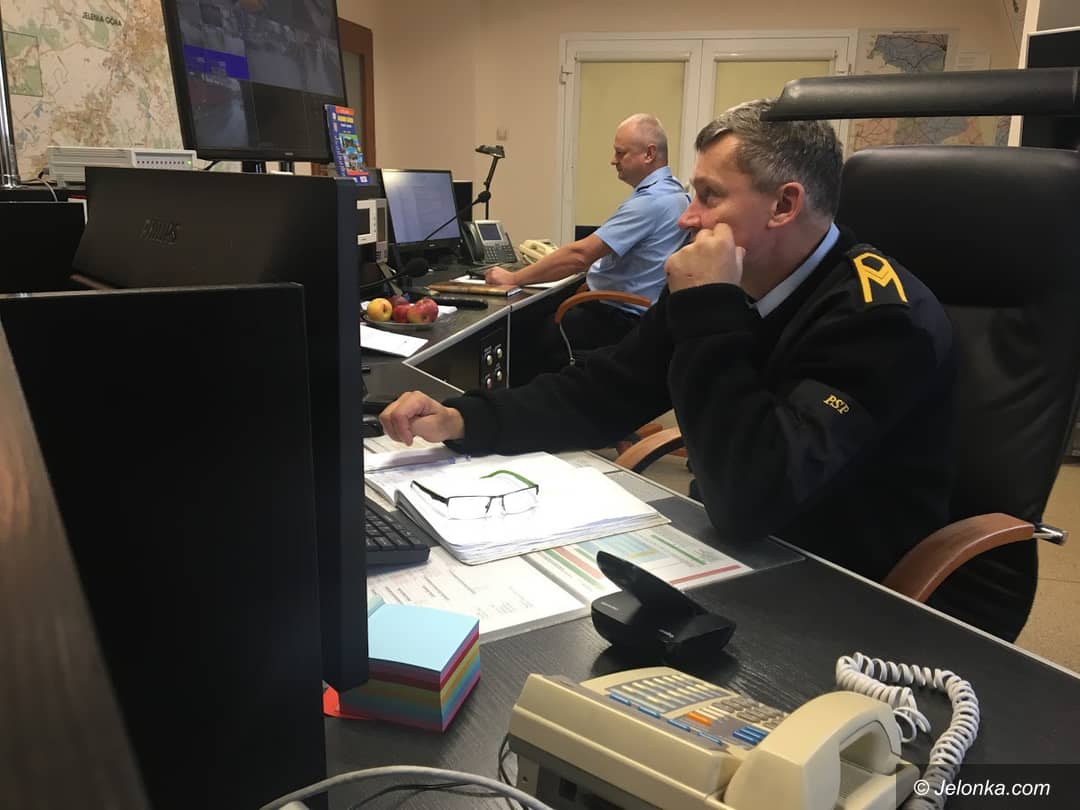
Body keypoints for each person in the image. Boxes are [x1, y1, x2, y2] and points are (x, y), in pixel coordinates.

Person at [381, 99, 987, 631]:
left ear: (784, 204)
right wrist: (464, 419)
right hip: (734, 550)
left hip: (840, 584)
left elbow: (754, 496)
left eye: (709, 196)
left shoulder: (880, 318)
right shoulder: (726, 281)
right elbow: (603, 391)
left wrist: (709, 310)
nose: (686, 217)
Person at [487, 113, 689, 380]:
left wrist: (513, 278)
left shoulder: (651, 202)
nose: (613, 160)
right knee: (540, 313)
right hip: (636, 318)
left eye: (621, 152)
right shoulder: (675, 194)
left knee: (521, 332)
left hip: (620, 320)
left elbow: (580, 256)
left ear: (649, 154)